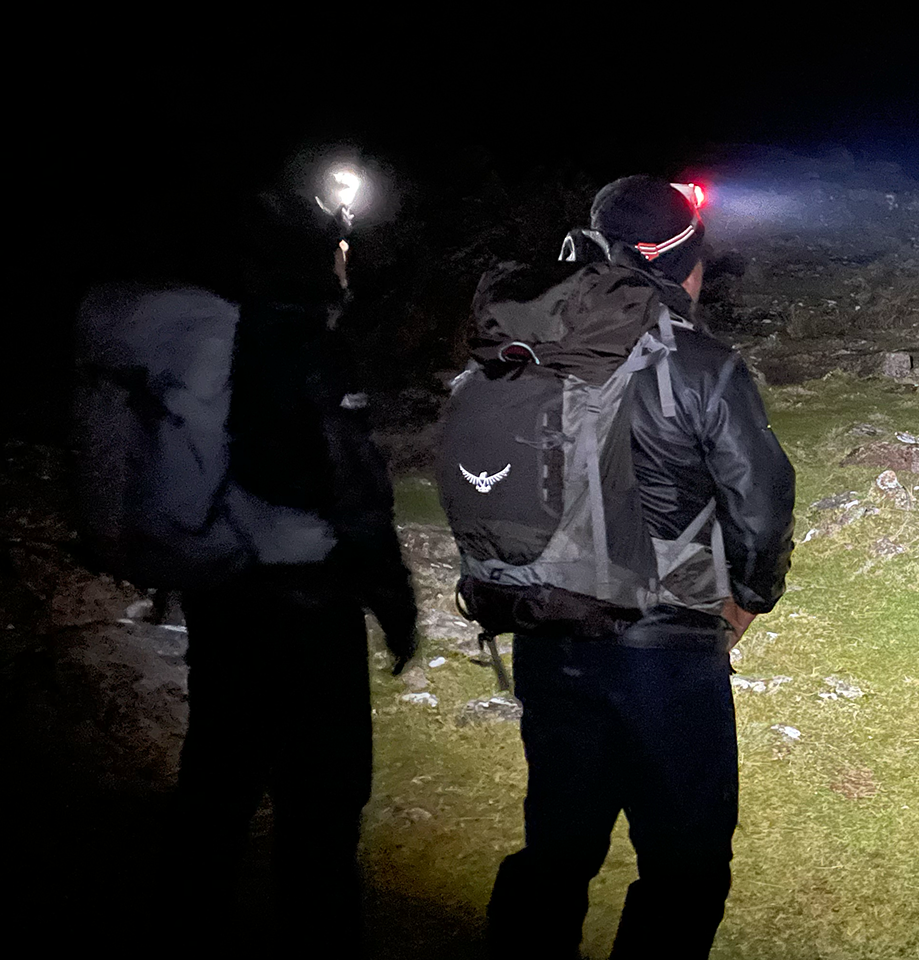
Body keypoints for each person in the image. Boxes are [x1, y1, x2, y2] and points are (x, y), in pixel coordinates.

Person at [484, 176, 795, 959]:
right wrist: (745, 604)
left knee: (555, 848)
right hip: (664, 650)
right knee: (685, 865)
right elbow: (760, 502)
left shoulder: (531, 351)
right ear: (683, 264)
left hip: (548, 633)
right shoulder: (700, 363)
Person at [169, 169, 417, 959]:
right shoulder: (310, 348)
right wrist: (393, 600)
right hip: (309, 607)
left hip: (223, 596)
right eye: (337, 249)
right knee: (322, 804)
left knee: (217, 779)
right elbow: (354, 486)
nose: (347, 260)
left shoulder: (216, 338)